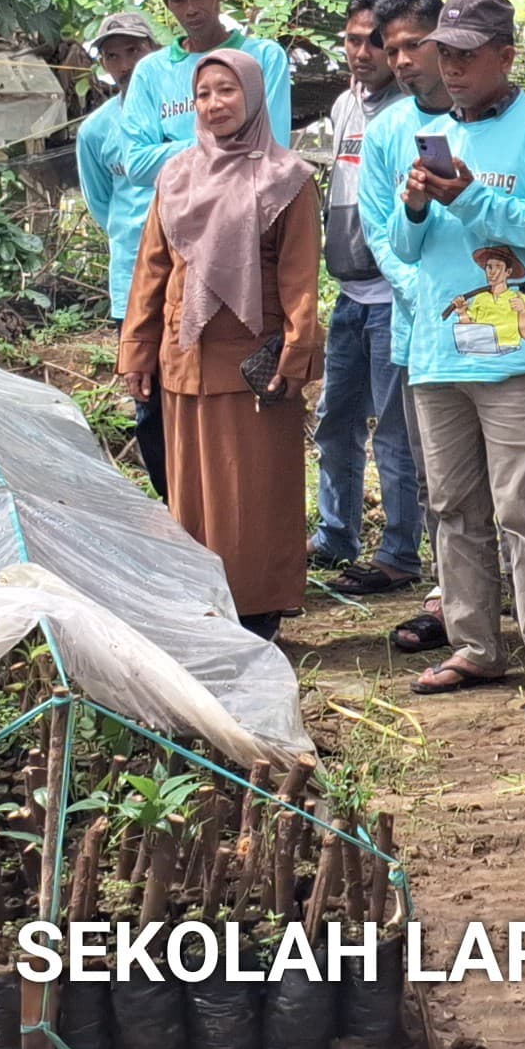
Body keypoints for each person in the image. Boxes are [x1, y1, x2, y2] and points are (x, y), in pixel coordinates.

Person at [369, 0, 525, 721]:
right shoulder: (421, 133)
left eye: (468, 56)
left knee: (523, 508)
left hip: (510, 354)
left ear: (505, 56)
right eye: (446, 55)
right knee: (451, 505)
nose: (453, 69)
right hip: (435, 353)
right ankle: (473, 644)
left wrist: (468, 198)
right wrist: (415, 204)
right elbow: (403, 247)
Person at [117, 49, 324, 637]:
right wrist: (138, 348)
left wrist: (296, 353)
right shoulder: (176, 174)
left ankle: (256, 613)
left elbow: (299, 277)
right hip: (183, 357)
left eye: (227, 90)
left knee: (252, 492)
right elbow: (152, 269)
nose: (215, 104)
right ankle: (204, 605)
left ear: (254, 96)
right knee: (193, 495)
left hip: (254, 364)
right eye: (204, 93)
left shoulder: (287, 179)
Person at [306, 0, 425, 585]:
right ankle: (335, 535)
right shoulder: (345, 105)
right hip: (350, 292)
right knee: (336, 420)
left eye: (373, 42)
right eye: (351, 40)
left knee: (394, 429)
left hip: (392, 296)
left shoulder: (410, 115)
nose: (361, 53)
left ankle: (400, 553)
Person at [74, 8, 166, 491]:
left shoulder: (181, 113)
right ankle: (171, 503)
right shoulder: (94, 131)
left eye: (133, 50)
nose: (125, 62)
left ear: (154, 51)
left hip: (190, 273)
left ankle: (205, 504)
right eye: (113, 54)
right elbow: (102, 206)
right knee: (146, 393)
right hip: (131, 278)